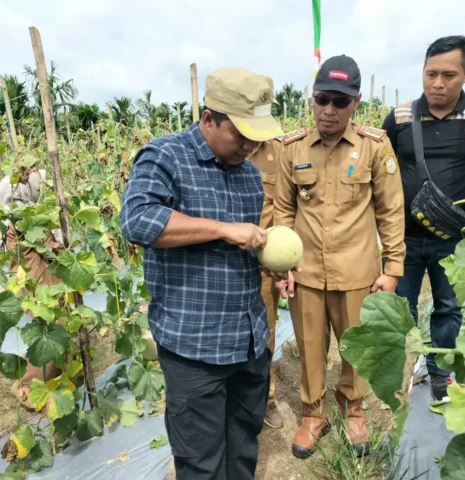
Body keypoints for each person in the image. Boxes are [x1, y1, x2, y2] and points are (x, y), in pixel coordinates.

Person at [121, 67, 286, 480]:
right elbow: (138, 220)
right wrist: (221, 229)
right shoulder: (165, 157)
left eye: (257, 135)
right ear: (209, 118)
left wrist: (274, 265)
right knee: (201, 463)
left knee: (243, 448)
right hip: (195, 347)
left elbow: (242, 247)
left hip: (248, 341)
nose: (251, 145)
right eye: (242, 133)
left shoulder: (249, 174)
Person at [273, 54, 406, 459]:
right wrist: (282, 268)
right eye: (321, 99)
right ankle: (314, 414)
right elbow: (283, 211)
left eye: (339, 101)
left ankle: (354, 408)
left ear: (356, 102)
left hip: (357, 271)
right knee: (310, 347)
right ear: (312, 99)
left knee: (357, 348)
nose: (328, 110)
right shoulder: (291, 149)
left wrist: (393, 269)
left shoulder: (373, 147)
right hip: (306, 271)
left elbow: (391, 211)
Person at [381, 35, 465, 402]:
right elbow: (384, 168)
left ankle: (441, 375)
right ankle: (400, 374)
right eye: (431, 74)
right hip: (403, 237)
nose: (438, 84)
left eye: (448, 75)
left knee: (448, 307)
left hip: (455, 237)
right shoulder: (400, 117)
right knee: (400, 307)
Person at [0, 169, 66, 410]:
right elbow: (51, 245)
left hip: (38, 276)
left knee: (53, 328)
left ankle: (52, 375)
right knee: (52, 329)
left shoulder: (15, 218)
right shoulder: (23, 219)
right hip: (38, 279)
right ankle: (26, 387)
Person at [247, 139, 285, 429]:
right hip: (217, 264)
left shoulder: (278, 152)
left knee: (264, 334)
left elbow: (286, 206)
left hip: (261, 266)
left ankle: (265, 400)